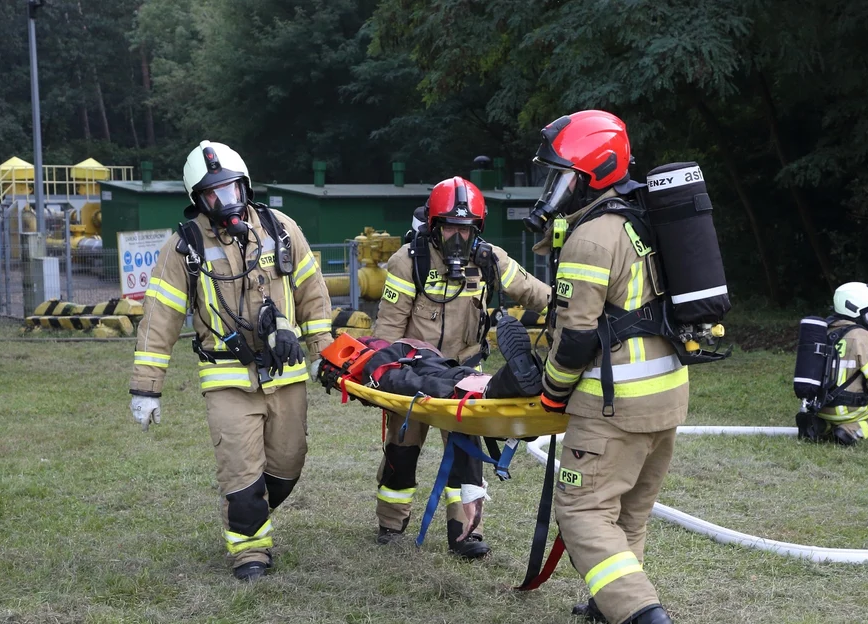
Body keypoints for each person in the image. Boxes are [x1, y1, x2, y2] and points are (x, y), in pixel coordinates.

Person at [128, 140, 333, 581]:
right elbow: (159, 318)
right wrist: (146, 388)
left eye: (231, 189)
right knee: (241, 472)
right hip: (226, 378)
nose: (225, 201)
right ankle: (250, 553)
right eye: (212, 194)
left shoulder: (281, 230)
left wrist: (323, 354)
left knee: (287, 464)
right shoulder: (183, 248)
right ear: (198, 200)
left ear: (245, 185)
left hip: (286, 374)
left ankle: (249, 511)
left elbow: (313, 295)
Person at [528, 110, 688, 624]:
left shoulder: (592, 237)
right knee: (628, 512)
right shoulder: (643, 221)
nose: (554, 188)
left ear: (590, 172)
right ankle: (607, 599)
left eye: (562, 174)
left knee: (583, 511)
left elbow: (574, 339)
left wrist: (549, 391)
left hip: (613, 405)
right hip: (666, 397)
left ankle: (640, 615)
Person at [371, 176, 551, 558]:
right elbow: (388, 327)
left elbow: (534, 291)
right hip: (415, 372)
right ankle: (391, 522)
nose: (458, 237)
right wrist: (383, 376)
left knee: (467, 456)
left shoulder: (490, 259)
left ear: (477, 230)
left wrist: (573, 309)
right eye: (450, 226)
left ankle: (466, 533)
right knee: (402, 450)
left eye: (466, 229)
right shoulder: (409, 262)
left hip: (465, 372)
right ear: (435, 226)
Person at [814, 282, 868, 445]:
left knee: (831, 415)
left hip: (821, 407)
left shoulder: (824, 332)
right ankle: (850, 431)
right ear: (855, 309)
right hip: (849, 409)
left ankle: (822, 426)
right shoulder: (861, 336)